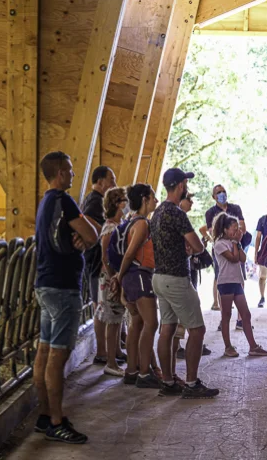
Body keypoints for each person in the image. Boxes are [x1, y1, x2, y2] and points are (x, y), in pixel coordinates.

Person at [33, 151, 98, 443]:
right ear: (59, 173)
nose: (73, 174)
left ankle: (45, 415)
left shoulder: (45, 203)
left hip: (45, 283)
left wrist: (78, 239)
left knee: (44, 352)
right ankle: (57, 422)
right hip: (63, 286)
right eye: (69, 170)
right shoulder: (65, 201)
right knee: (57, 357)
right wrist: (83, 238)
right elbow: (93, 234)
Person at [150, 168, 219, 399]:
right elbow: (197, 246)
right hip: (177, 278)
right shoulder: (177, 214)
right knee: (197, 330)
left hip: (159, 278)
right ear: (180, 186)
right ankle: (191, 383)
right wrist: (192, 247)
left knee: (167, 329)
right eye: (185, 184)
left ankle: (168, 381)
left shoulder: (158, 213)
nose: (187, 188)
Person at [114, 184, 160, 388]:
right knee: (151, 323)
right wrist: (119, 277)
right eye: (153, 197)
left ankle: (131, 370)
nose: (156, 201)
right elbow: (130, 253)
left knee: (137, 323)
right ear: (144, 199)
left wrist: (122, 279)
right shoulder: (142, 224)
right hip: (140, 275)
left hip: (132, 276)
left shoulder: (131, 220)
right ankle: (143, 373)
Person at [212, 212, 267, 357]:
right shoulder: (219, 244)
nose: (238, 232)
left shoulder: (234, 243)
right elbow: (233, 258)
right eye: (234, 228)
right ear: (225, 229)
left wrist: (237, 243)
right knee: (226, 315)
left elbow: (242, 259)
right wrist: (235, 243)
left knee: (246, 314)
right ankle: (228, 347)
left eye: (238, 229)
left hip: (237, 282)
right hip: (225, 283)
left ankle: (253, 346)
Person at [80, 166, 117, 365]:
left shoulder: (94, 200)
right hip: (97, 262)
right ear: (100, 181)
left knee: (103, 306)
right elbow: (96, 230)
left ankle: (108, 349)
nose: (113, 184)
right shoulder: (95, 202)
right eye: (111, 179)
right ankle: (102, 351)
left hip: (98, 261)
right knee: (100, 307)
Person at [200, 185, 246, 330]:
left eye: (223, 191)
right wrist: (229, 238)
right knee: (221, 279)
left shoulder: (236, 208)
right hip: (221, 250)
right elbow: (213, 232)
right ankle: (224, 315)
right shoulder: (210, 212)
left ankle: (240, 318)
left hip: (236, 245)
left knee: (240, 277)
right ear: (213, 197)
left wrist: (235, 240)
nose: (222, 194)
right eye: (218, 192)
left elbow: (242, 228)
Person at [95, 187, 128, 376]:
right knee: (112, 318)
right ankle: (110, 362)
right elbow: (105, 257)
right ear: (117, 204)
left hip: (114, 276)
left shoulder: (118, 225)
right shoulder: (110, 228)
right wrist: (114, 277)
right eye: (124, 200)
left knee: (117, 317)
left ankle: (115, 353)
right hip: (110, 278)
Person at [176, 194, 211, 360]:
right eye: (188, 199)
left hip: (178, 272)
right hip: (181, 273)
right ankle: (187, 345)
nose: (191, 202)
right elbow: (196, 247)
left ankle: (177, 348)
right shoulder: (179, 218)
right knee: (189, 314)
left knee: (177, 315)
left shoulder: (169, 216)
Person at [255, 198, 267, 308]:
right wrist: (256, 254)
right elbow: (258, 237)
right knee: (262, 276)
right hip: (265, 252)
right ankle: (262, 297)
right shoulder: (262, 220)